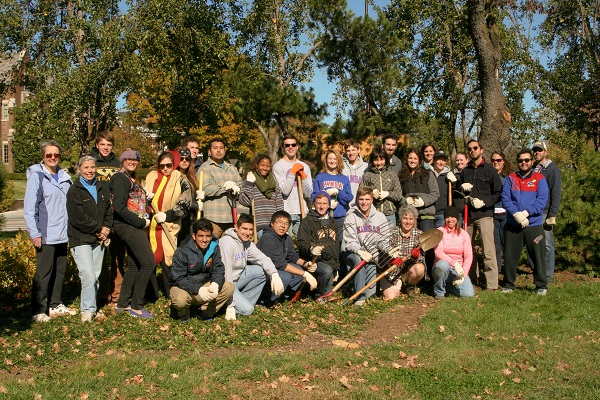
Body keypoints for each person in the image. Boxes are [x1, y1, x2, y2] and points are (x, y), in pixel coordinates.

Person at [24, 140, 75, 322]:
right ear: (43, 157)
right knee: (44, 273)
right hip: (46, 235)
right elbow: (30, 209)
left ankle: (55, 304)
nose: (53, 158)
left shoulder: (64, 177)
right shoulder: (37, 177)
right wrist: (35, 234)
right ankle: (38, 309)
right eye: (49, 155)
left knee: (60, 271)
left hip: (62, 234)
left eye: (56, 155)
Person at [110, 149, 155, 318]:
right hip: (128, 226)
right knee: (149, 263)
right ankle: (136, 306)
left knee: (135, 264)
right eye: (128, 159)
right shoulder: (120, 178)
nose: (132, 161)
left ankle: (122, 304)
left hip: (131, 225)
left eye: (135, 159)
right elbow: (119, 207)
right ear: (122, 160)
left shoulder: (130, 178)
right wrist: (140, 222)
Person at [66, 155, 112, 322]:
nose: (90, 171)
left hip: (99, 239)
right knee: (88, 276)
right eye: (86, 168)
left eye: (92, 167)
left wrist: (106, 228)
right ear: (79, 169)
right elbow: (77, 218)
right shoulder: (74, 190)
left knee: (96, 275)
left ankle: (92, 307)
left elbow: (108, 211)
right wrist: (99, 229)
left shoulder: (101, 187)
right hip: (81, 239)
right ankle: (87, 310)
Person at [501, 149, 549, 295]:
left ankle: (541, 285)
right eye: (521, 160)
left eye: (527, 160)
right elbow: (505, 198)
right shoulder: (511, 178)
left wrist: (526, 213)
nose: (524, 163)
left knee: (538, 256)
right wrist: (516, 214)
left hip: (533, 224)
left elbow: (541, 200)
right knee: (510, 256)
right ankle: (509, 284)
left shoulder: (540, 179)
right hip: (513, 224)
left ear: (532, 162)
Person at [219, 214, 284, 320]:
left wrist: (274, 274)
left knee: (261, 270)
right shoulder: (227, 243)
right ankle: (227, 305)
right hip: (225, 283)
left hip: (238, 279)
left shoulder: (247, 244)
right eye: (244, 228)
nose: (247, 233)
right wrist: (230, 305)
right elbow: (226, 274)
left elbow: (263, 258)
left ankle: (242, 302)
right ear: (236, 227)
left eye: (250, 229)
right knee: (248, 310)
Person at [145, 151, 192, 296]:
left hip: (170, 226)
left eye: (169, 165)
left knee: (168, 260)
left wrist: (167, 215)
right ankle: (151, 294)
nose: (165, 168)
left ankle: (170, 293)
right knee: (150, 258)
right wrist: (145, 197)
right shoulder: (151, 177)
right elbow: (139, 198)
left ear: (174, 165)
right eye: (162, 166)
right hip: (150, 225)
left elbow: (184, 205)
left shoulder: (181, 181)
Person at [459, 139, 503, 291]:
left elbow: (499, 193)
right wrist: (461, 188)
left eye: (475, 148)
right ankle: (470, 279)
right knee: (467, 249)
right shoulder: (465, 171)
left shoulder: (490, 170)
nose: (472, 151)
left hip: (485, 215)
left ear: (481, 150)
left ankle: (491, 284)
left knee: (488, 249)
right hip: (468, 216)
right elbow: (460, 193)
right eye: (470, 149)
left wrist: (484, 203)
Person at [170, 219, 235, 321]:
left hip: (204, 285)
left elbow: (218, 268)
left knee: (229, 287)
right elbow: (178, 278)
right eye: (201, 236)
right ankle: (184, 314)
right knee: (180, 300)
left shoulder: (214, 247)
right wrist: (198, 289)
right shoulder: (183, 251)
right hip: (185, 288)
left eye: (208, 236)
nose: (205, 240)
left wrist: (215, 284)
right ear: (194, 236)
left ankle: (203, 311)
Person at [92, 130, 126, 307]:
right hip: (97, 217)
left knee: (118, 257)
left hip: (116, 217)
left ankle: (117, 293)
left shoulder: (118, 164)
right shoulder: (90, 161)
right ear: (97, 145)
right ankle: (103, 293)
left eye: (109, 145)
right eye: (102, 144)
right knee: (99, 258)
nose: (105, 148)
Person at [344, 186, 394, 306]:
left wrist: (390, 250)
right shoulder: (351, 217)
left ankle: (354, 286)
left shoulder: (380, 217)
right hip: (354, 254)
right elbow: (350, 242)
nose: (364, 202)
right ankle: (359, 297)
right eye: (361, 199)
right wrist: (360, 252)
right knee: (357, 260)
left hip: (372, 258)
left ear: (372, 200)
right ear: (357, 200)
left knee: (370, 295)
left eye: (367, 199)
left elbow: (383, 240)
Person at [257, 211, 318, 304]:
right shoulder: (268, 238)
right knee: (286, 277)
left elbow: (292, 257)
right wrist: (305, 274)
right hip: (263, 271)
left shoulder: (286, 238)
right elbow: (279, 264)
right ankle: (266, 300)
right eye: (280, 222)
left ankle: (282, 297)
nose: (283, 226)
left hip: (277, 267)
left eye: (286, 223)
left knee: (298, 270)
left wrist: (306, 264)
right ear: (272, 223)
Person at [197, 138, 242, 238]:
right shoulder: (205, 168)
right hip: (213, 219)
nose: (218, 150)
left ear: (225, 151)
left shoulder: (232, 168)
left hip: (231, 219)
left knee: (228, 251)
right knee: (211, 249)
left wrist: (237, 188)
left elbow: (240, 185)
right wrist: (224, 187)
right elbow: (204, 189)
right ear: (209, 151)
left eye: (221, 148)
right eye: (215, 148)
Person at [297, 192, 339, 299]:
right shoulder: (307, 221)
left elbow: (335, 247)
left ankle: (323, 296)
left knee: (329, 276)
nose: (321, 206)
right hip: (314, 261)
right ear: (314, 204)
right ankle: (317, 296)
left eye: (324, 203)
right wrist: (311, 249)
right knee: (327, 271)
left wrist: (336, 267)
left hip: (330, 261)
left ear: (329, 205)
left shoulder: (332, 223)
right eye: (318, 203)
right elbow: (301, 243)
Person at [531, 141, 562, 282]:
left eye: (539, 150)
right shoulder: (533, 169)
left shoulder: (552, 169)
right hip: (532, 213)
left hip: (545, 213)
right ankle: (537, 272)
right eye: (535, 150)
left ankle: (547, 276)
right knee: (534, 243)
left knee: (547, 245)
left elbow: (556, 193)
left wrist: (552, 214)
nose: (537, 152)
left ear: (545, 152)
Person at [273, 134, 313, 237]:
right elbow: (284, 191)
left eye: (293, 144)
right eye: (287, 145)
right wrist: (292, 173)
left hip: (302, 212)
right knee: (286, 244)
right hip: (286, 213)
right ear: (283, 148)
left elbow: (308, 193)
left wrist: (303, 178)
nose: (290, 147)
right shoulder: (278, 166)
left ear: (297, 147)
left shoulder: (305, 166)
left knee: (303, 243)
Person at [432, 206, 475, 299]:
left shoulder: (464, 234)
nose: (450, 220)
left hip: (458, 271)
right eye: (447, 217)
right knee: (442, 265)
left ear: (457, 219)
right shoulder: (439, 231)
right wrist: (453, 263)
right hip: (443, 268)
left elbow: (468, 255)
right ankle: (439, 291)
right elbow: (438, 252)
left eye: (453, 217)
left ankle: (448, 287)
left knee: (468, 294)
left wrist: (464, 273)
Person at [384, 206, 426, 299]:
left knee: (420, 268)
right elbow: (385, 253)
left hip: (407, 270)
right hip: (393, 272)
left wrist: (416, 256)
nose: (408, 222)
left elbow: (422, 257)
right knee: (391, 297)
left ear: (414, 220)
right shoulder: (392, 233)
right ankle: (396, 286)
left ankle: (409, 286)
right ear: (400, 219)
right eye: (405, 218)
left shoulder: (419, 234)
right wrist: (392, 260)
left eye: (411, 219)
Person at [238, 153, 284, 238]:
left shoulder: (273, 181)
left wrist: (280, 221)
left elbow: (279, 203)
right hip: (259, 224)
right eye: (262, 165)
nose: (265, 168)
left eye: (267, 166)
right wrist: (249, 184)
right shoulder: (250, 179)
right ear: (257, 165)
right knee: (267, 246)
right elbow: (245, 201)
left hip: (274, 224)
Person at [360, 148, 403, 226]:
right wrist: (371, 192)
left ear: (385, 160)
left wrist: (387, 194)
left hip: (389, 214)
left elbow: (399, 195)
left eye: (381, 159)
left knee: (389, 237)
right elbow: (361, 192)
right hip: (372, 213)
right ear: (372, 161)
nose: (379, 163)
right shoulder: (367, 175)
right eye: (376, 160)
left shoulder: (392, 174)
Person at [399, 149, 439, 232]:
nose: (412, 161)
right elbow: (398, 194)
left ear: (419, 160)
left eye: (415, 158)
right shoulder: (402, 175)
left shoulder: (428, 174)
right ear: (407, 159)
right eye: (410, 158)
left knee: (426, 242)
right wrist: (405, 200)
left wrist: (424, 201)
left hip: (425, 214)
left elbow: (435, 193)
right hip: (408, 216)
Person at [312, 149, 353, 231]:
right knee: (325, 242)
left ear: (339, 161)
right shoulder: (320, 177)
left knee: (340, 242)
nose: (332, 161)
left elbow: (349, 198)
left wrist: (339, 192)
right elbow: (313, 197)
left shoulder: (344, 179)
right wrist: (326, 196)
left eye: (335, 159)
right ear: (326, 160)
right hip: (324, 217)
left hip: (340, 218)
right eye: (330, 158)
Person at [491, 151, 512, 273]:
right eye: (493, 160)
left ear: (503, 161)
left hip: (506, 214)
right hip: (493, 214)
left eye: (498, 160)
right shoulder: (489, 175)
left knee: (507, 244)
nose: (496, 162)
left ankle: (508, 270)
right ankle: (497, 270)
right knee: (495, 244)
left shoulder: (509, 177)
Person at [175, 146, 199, 244]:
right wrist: (194, 204)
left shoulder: (191, 176)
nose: (184, 161)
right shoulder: (174, 176)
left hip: (191, 219)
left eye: (187, 159)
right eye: (181, 159)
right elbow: (177, 199)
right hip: (179, 219)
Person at [431, 150, 458, 228]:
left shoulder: (449, 175)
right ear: (434, 160)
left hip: (442, 214)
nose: (441, 162)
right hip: (429, 213)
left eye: (443, 160)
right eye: (439, 159)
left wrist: (454, 183)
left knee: (442, 238)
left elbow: (455, 193)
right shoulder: (428, 173)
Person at [341, 139, 368, 206]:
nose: (351, 153)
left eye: (353, 150)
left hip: (361, 206)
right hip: (344, 206)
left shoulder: (366, 167)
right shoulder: (341, 166)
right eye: (348, 151)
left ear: (358, 150)